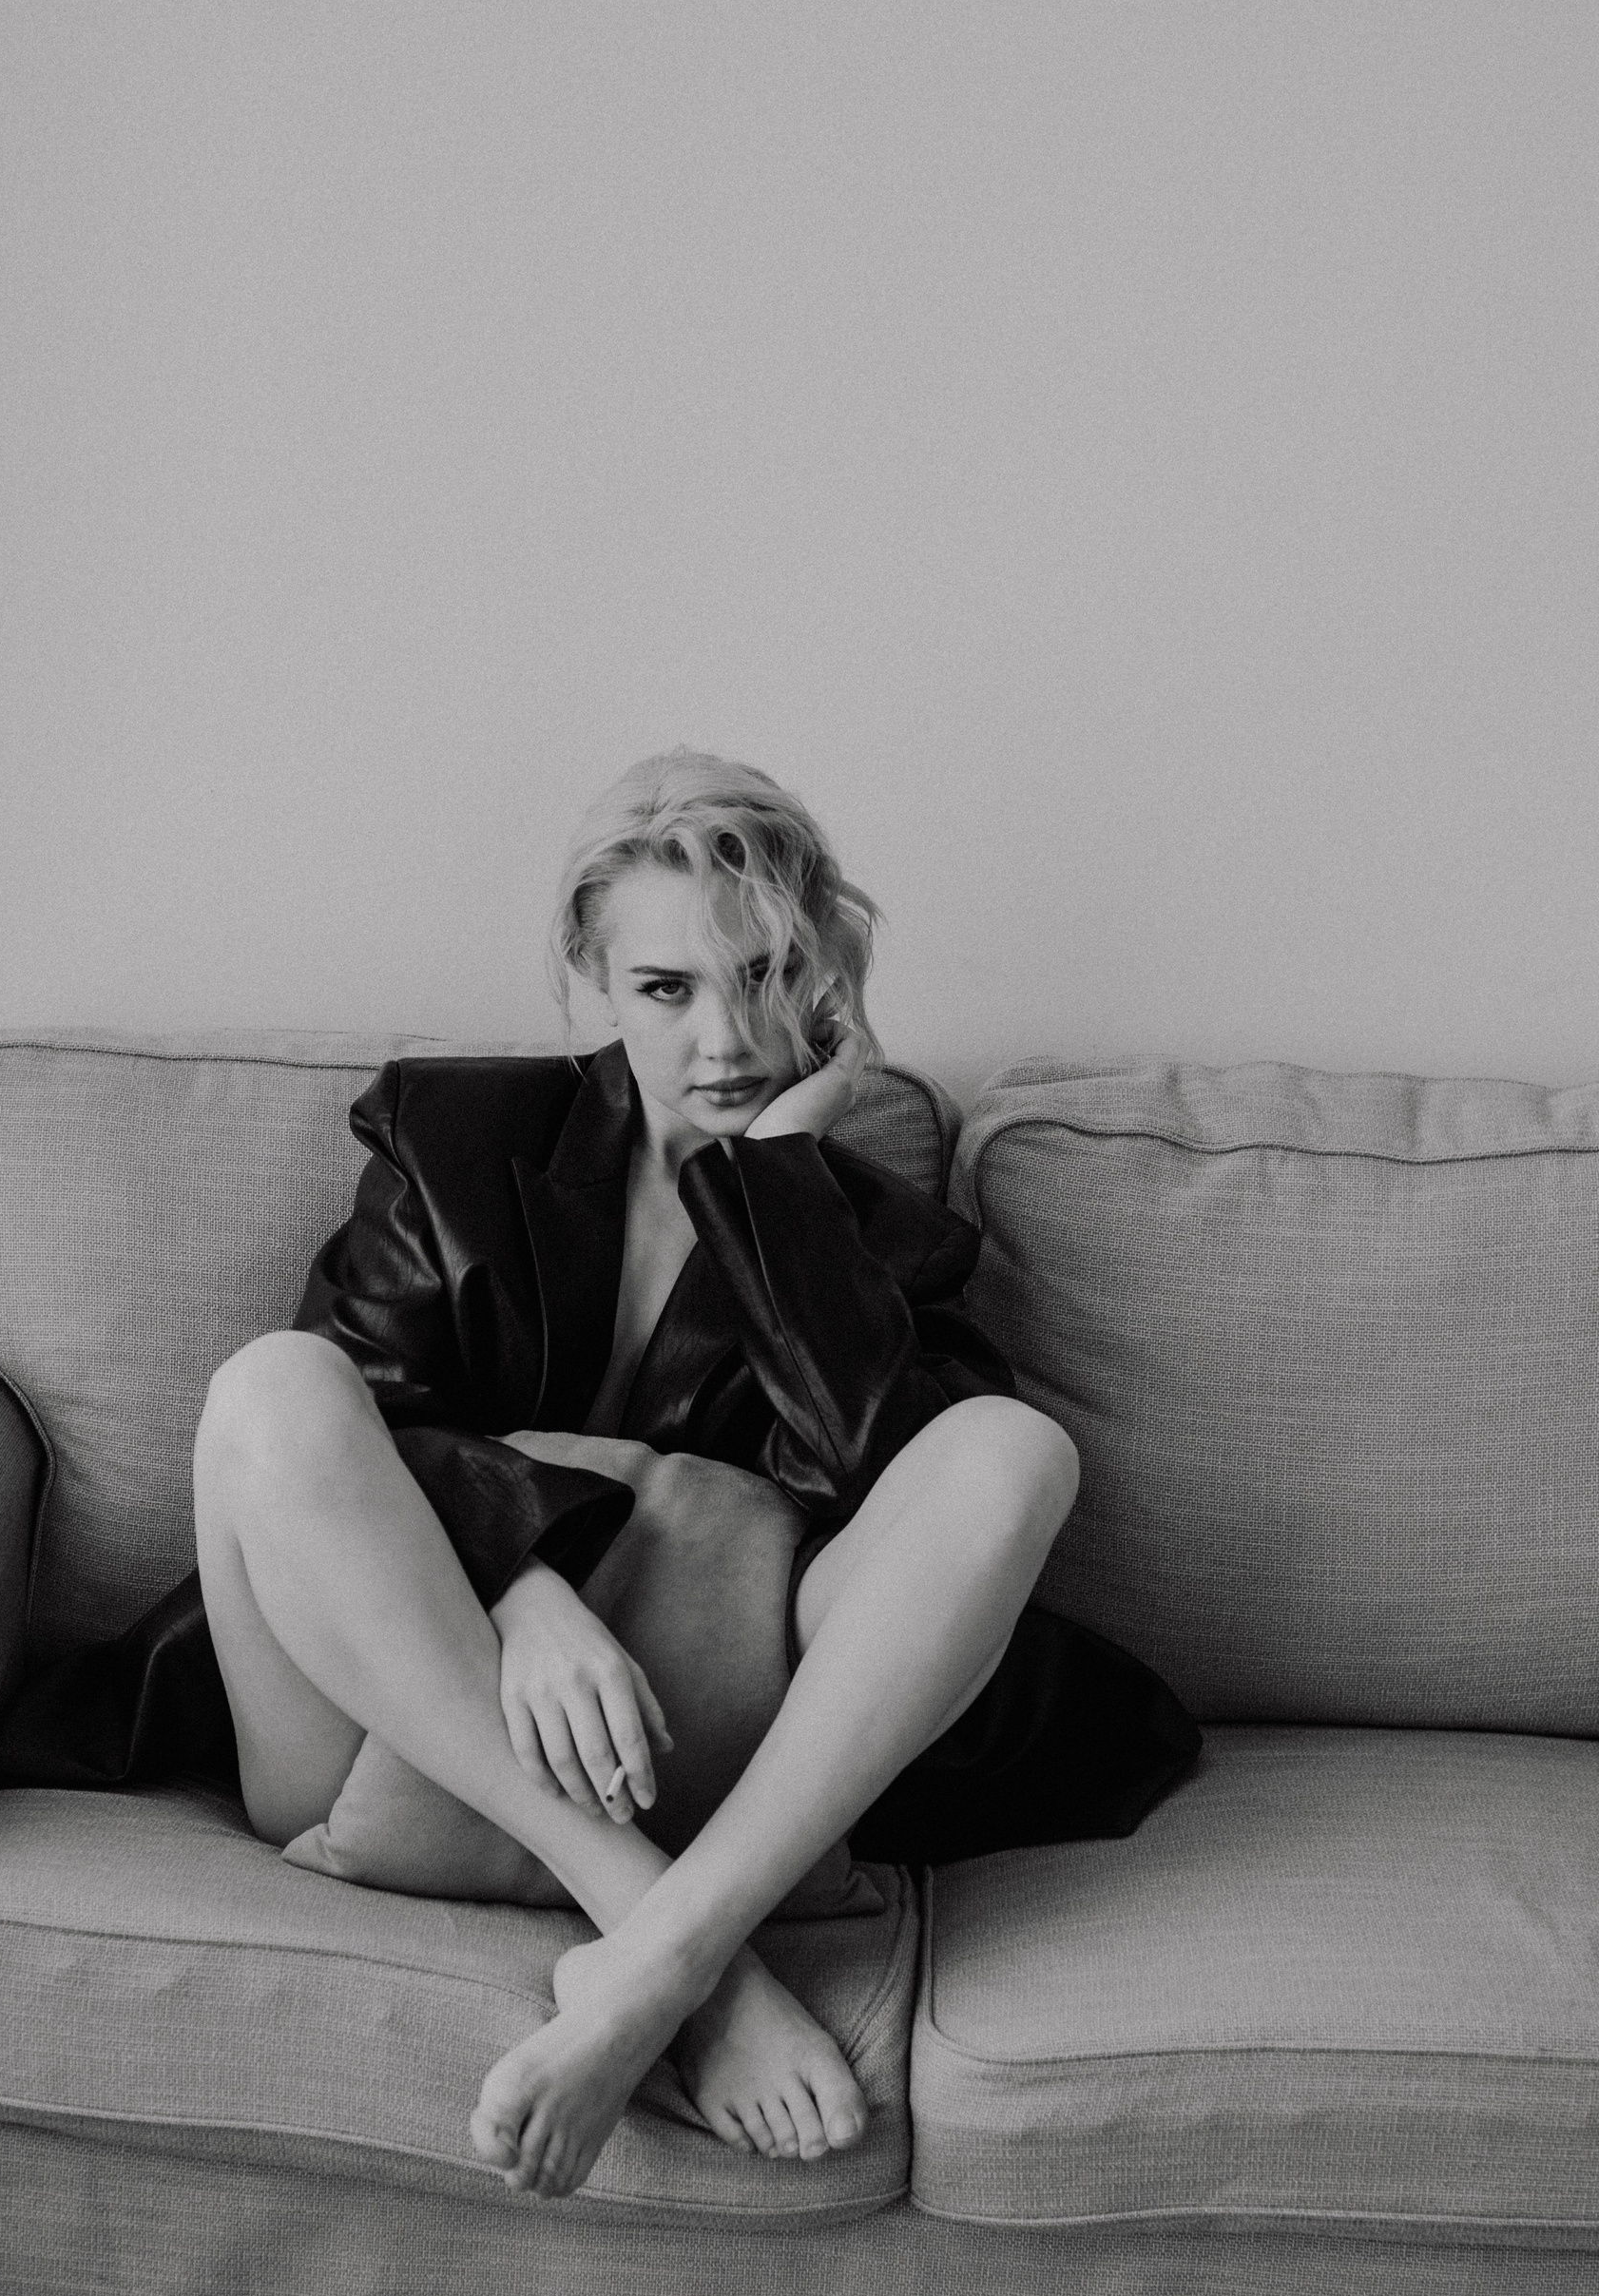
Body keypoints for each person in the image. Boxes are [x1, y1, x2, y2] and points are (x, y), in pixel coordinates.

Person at [187, 749, 1189, 2204]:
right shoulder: (450, 1138)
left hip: (701, 1751)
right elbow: (365, 1423)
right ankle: (686, 1960)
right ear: (591, 976)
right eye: (666, 988)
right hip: (376, 1727)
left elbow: (877, 1491)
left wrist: (777, 1182)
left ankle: (654, 1951)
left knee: (1012, 1451)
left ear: (826, 977)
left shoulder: (871, 1237)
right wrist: (523, 1587)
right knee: (269, 1388)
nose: (726, 1040)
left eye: (767, 977)